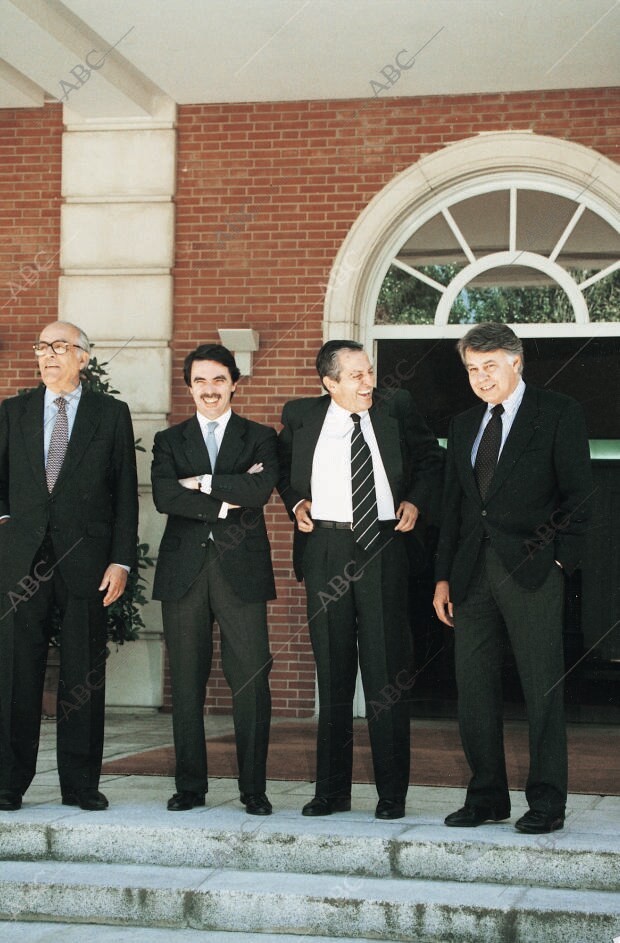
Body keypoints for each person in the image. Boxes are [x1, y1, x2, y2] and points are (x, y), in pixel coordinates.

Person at [433, 322, 592, 835]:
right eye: (472, 369)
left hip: (533, 572)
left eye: (490, 366)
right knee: (473, 688)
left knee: (541, 689)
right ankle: (486, 797)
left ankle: (547, 801)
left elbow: (580, 499)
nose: (481, 378)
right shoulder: (462, 425)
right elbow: (455, 509)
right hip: (471, 576)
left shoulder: (558, 413)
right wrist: (442, 579)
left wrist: (561, 562)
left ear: (516, 361)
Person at [278, 339, 443, 820]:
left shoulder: (396, 407)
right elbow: (283, 473)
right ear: (329, 383)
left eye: (369, 372)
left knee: (386, 672)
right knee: (331, 675)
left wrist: (414, 500)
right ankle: (331, 792)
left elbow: (431, 459)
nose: (368, 382)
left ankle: (392, 794)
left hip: (385, 547)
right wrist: (295, 502)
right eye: (356, 376)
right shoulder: (299, 416)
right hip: (326, 548)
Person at [0, 321, 138, 812]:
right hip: (21, 563)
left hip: (87, 563)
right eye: (43, 346)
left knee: (82, 676)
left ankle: (81, 785)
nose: (49, 355)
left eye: (60, 346)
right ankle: (8, 782)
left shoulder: (111, 414)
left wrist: (122, 560)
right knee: (16, 673)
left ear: (83, 357)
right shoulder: (13, 411)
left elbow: (125, 494)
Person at [151, 344, 277, 815]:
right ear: (189, 387)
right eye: (200, 381)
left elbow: (260, 489)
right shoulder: (169, 440)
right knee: (186, 684)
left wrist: (198, 482)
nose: (209, 389)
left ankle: (253, 790)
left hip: (241, 572)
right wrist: (227, 491)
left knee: (251, 683)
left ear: (234, 383)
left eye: (218, 380)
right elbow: (164, 496)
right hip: (183, 573)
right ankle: (190, 787)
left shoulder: (260, 436)